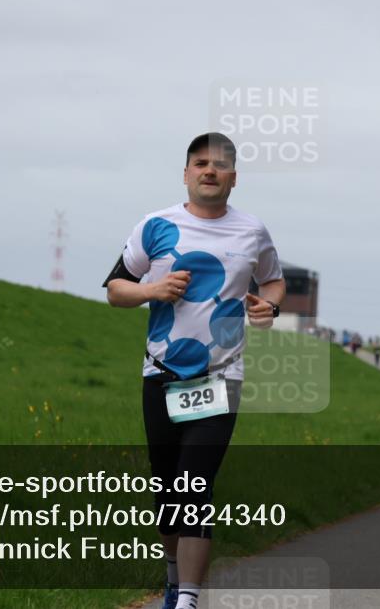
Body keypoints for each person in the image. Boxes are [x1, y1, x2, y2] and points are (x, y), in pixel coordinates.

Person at [104, 132, 285, 609]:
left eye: (220, 165)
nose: (210, 171)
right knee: (167, 491)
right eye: (200, 163)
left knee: (193, 486)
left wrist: (269, 307)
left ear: (234, 178)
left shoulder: (252, 231)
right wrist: (153, 290)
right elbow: (115, 289)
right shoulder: (156, 225)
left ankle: (188, 599)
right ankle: (172, 581)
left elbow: (274, 280)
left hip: (220, 378)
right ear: (186, 173)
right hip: (161, 374)